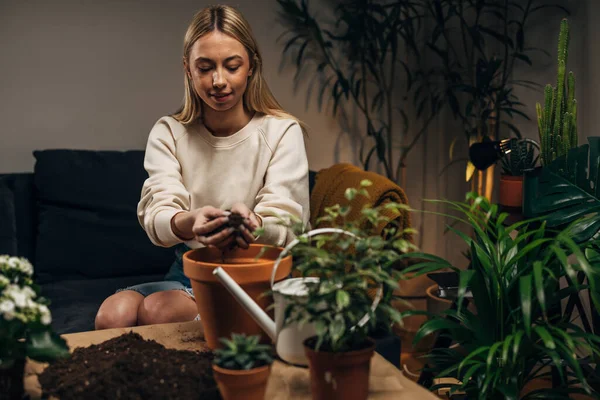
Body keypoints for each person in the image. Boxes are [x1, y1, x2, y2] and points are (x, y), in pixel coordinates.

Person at [94, 5, 310, 330]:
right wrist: (190, 221)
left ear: (251, 66)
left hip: (254, 271)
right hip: (190, 267)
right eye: (205, 67)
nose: (219, 81)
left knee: (159, 312)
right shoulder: (170, 132)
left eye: (232, 66)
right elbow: (158, 213)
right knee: (113, 315)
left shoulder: (281, 131)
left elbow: (290, 223)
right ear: (188, 69)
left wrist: (254, 223)